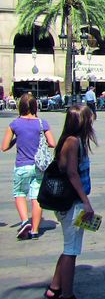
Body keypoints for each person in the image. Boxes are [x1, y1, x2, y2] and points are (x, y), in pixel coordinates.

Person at [44, 104, 96, 299]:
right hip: (73, 202)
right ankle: (67, 296)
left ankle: (55, 287)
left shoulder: (70, 140)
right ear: (82, 122)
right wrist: (86, 202)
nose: (92, 121)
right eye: (89, 118)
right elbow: (72, 174)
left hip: (69, 202)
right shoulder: (73, 142)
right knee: (71, 251)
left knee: (69, 246)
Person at [1, 93, 56, 240]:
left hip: (22, 166)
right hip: (38, 167)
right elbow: (52, 143)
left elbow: (4, 147)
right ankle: (35, 230)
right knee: (36, 198)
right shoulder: (42, 123)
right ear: (35, 106)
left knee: (19, 194)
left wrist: (16, 140)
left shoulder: (14, 124)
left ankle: (25, 221)